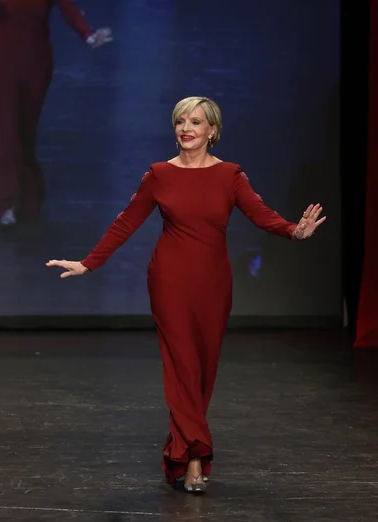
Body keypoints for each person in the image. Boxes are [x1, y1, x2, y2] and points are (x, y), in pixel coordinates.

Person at [46, 96, 326, 493]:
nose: (186, 128)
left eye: (196, 121)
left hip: (214, 283)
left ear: (213, 130)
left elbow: (261, 215)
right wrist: (89, 262)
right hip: (170, 282)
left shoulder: (231, 175)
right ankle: (196, 459)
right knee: (181, 367)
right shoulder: (159, 174)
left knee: (203, 371)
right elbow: (126, 222)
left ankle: (179, 451)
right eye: (180, 121)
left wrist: (294, 231)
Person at [0, 0, 112, 226]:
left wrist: (88, 35)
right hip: (3, 59)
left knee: (25, 131)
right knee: (7, 128)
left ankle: (23, 194)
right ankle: (4, 201)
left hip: (37, 61)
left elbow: (67, 7)